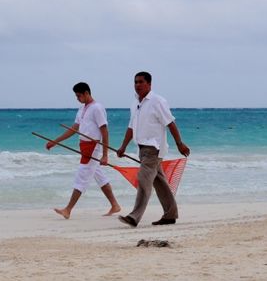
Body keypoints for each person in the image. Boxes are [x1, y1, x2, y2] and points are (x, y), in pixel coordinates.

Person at [115, 71, 190, 227]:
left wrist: (179, 143)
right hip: (141, 149)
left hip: (154, 148)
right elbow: (131, 127)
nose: (137, 85)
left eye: (141, 82)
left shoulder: (157, 101)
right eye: (135, 82)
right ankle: (170, 214)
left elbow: (170, 123)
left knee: (143, 180)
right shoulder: (135, 103)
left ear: (149, 84)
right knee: (160, 182)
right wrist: (123, 146)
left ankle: (134, 217)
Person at [45, 82, 123, 219]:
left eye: (79, 96)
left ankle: (68, 209)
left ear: (86, 93)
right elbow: (74, 129)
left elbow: (104, 131)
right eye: (76, 96)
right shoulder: (82, 109)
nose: (77, 98)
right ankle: (115, 205)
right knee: (99, 176)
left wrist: (105, 155)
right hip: (84, 146)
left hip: (93, 146)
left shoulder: (97, 108)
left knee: (81, 176)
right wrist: (55, 141)